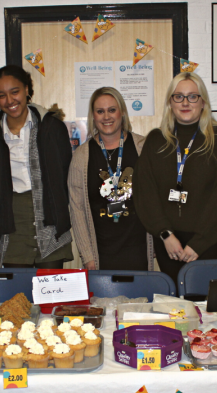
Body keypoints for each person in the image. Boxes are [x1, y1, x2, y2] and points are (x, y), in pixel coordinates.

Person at [135, 72, 217, 285]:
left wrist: (200, 243)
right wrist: (165, 235)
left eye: (192, 96)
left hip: (208, 242)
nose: (185, 103)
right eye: (178, 96)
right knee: (175, 307)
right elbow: (145, 193)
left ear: (203, 102)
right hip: (168, 243)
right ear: (170, 102)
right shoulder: (155, 140)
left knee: (206, 308)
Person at [0, 65, 73, 268]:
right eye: (2, 95)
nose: (10, 101)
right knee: (17, 295)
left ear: (27, 89)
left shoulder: (52, 128)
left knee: (52, 294)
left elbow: (65, 174)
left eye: (15, 92)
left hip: (49, 218)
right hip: (10, 222)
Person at [68, 87, 154, 271]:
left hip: (139, 249)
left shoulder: (143, 147)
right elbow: (77, 210)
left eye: (112, 110)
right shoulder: (81, 156)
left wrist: (157, 243)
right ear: (93, 116)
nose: (106, 116)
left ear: (122, 112)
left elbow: (157, 197)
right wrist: (88, 257)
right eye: (100, 111)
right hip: (101, 253)